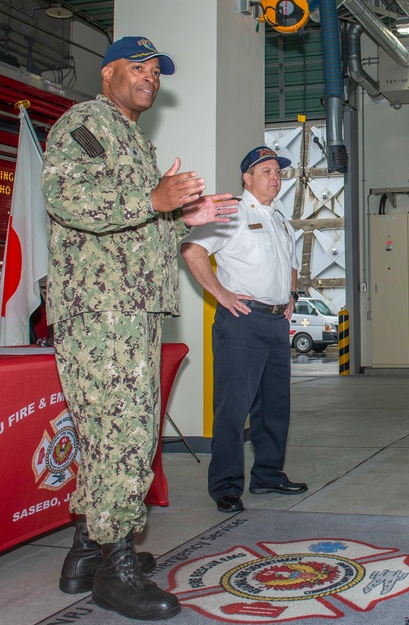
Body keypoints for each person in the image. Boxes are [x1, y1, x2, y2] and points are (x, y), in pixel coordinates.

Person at [42, 36, 238, 620]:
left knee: (114, 430)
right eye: (139, 68)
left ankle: (86, 552)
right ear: (108, 75)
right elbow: (67, 198)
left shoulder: (134, 140)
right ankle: (116, 565)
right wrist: (154, 199)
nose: (150, 78)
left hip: (129, 308)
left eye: (156, 72)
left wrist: (181, 218)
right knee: (121, 434)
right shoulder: (84, 123)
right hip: (101, 312)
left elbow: (135, 227)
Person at [182, 146, 308, 515]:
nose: (274, 177)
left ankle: (268, 474)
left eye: (277, 171)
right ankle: (225, 486)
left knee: (274, 408)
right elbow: (192, 250)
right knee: (233, 409)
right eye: (266, 171)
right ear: (247, 178)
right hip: (241, 323)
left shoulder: (281, 219)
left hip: (274, 322)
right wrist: (220, 294)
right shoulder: (233, 212)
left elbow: (291, 265)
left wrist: (291, 294)